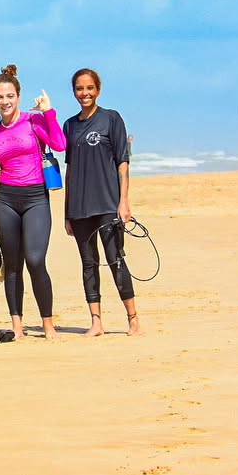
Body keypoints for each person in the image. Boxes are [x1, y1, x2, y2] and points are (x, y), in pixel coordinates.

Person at [0, 64, 66, 340]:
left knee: (36, 259)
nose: (4, 101)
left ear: (18, 96)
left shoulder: (33, 121)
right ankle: (17, 327)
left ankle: (48, 323)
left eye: (9, 96)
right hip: (5, 200)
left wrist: (49, 113)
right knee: (13, 265)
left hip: (35, 199)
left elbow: (60, 143)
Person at [63, 68, 141, 336]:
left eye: (89, 88)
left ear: (98, 89)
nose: (84, 93)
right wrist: (67, 213)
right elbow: (69, 170)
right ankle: (96, 321)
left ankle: (133, 319)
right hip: (79, 207)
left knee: (115, 259)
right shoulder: (70, 125)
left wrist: (124, 201)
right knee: (88, 263)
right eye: (79, 89)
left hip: (108, 204)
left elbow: (123, 162)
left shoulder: (111, 119)